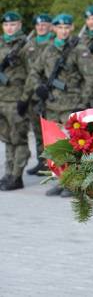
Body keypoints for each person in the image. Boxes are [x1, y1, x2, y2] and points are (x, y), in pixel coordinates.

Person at [23, 13, 93, 196]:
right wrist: (38, 87)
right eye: (60, 28)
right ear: (54, 29)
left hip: (72, 106)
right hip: (51, 106)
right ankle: (62, 180)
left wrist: (82, 103)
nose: (63, 31)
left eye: (67, 27)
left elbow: (91, 78)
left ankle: (75, 183)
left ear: (71, 28)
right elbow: (34, 72)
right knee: (56, 147)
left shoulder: (79, 49)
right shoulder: (48, 50)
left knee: (73, 146)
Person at [0, 11, 31, 191]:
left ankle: (17, 176)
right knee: (7, 139)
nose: (9, 28)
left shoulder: (25, 47)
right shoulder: (1, 43)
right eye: (6, 25)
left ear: (19, 25)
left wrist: (25, 98)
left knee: (18, 139)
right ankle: (9, 173)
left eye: (13, 24)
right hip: (1, 100)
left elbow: (32, 74)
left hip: (16, 100)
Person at [24, 13, 55, 175]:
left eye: (44, 24)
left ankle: (53, 164)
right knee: (37, 130)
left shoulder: (54, 43)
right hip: (33, 93)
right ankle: (41, 161)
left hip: (49, 94)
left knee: (49, 130)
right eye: (38, 25)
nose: (41, 27)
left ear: (50, 26)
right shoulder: (30, 44)